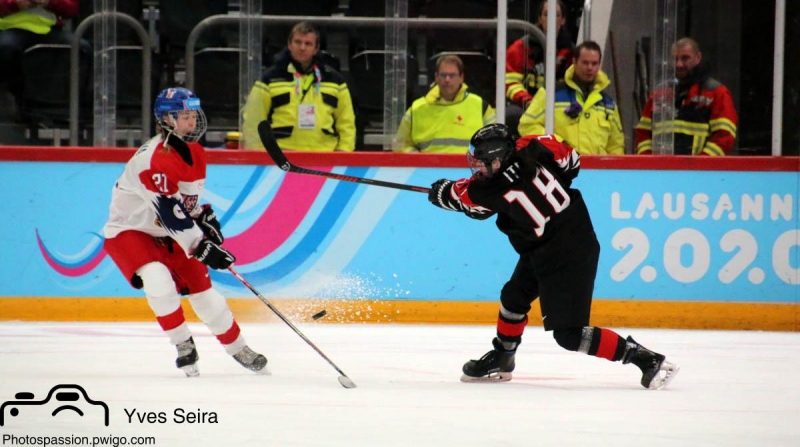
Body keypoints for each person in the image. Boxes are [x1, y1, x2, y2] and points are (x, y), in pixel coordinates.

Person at [427, 123, 679, 389]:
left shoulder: (485, 191)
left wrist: (441, 191)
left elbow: (465, 201)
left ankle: (646, 360)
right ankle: (502, 359)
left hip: (568, 254)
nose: (479, 169)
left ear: (500, 158)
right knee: (514, 297)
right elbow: (572, 163)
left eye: (483, 163)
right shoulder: (534, 146)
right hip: (557, 242)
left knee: (569, 335)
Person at [103, 87, 268, 377]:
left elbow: (185, 206)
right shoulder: (153, 161)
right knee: (157, 280)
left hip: (171, 234)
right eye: (185, 116)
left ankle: (238, 347)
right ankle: (182, 344)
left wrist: (205, 219)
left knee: (206, 296)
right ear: (166, 119)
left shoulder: (195, 152)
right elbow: (169, 213)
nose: (193, 122)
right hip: (131, 231)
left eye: (194, 115)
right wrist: (201, 245)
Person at [242, 21, 355, 152]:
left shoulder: (335, 81)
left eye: (308, 44)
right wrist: (260, 156)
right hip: (281, 156)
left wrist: (343, 153)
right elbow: (253, 121)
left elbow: (347, 123)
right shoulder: (269, 79)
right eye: (297, 42)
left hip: (324, 156)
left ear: (316, 48)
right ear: (289, 44)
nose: (302, 47)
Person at [634, 37, 738, 156]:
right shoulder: (659, 93)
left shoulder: (716, 92)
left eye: (685, 58)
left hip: (698, 172)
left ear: (698, 58)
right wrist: (648, 162)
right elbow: (643, 132)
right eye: (675, 59)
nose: (679, 64)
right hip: (662, 171)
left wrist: (701, 164)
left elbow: (725, 136)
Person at [518, 40, 624, 155]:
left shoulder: (608, 104)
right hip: (560, 167)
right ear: (574, 62)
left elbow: (616, 146)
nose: (589, 68)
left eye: (594, 64)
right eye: (585, 63)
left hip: (596, 170)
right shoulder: (550, 94)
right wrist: (557, 145)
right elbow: (527, 126)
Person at [394, 54, 495, 153]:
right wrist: (418, 160)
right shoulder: (417, 108)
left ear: (461, 78)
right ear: (436, 77)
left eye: (452, 75)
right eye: (443, 75)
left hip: (469, 168)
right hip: (428, 169)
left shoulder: (481, 107)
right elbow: (400, 144)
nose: (447, 80)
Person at [0, 0, 83, 115]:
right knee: (6, 48)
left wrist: (49, 3)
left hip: (49, 30)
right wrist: (14, 4)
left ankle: (71, 104)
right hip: (10, 28)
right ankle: (12, 97)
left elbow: (72, 8)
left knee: (82, 49)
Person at [504, 0, 574, 132]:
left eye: (556, 15)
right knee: (511, 116)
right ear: (540, 19)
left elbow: (571, 85)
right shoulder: (519, 48)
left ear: (563, 20)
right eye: (547, 14)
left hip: (557, 106)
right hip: (525, 104)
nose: (551, 19)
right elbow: (509, 82)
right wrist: (528, 101)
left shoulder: (571, 52)